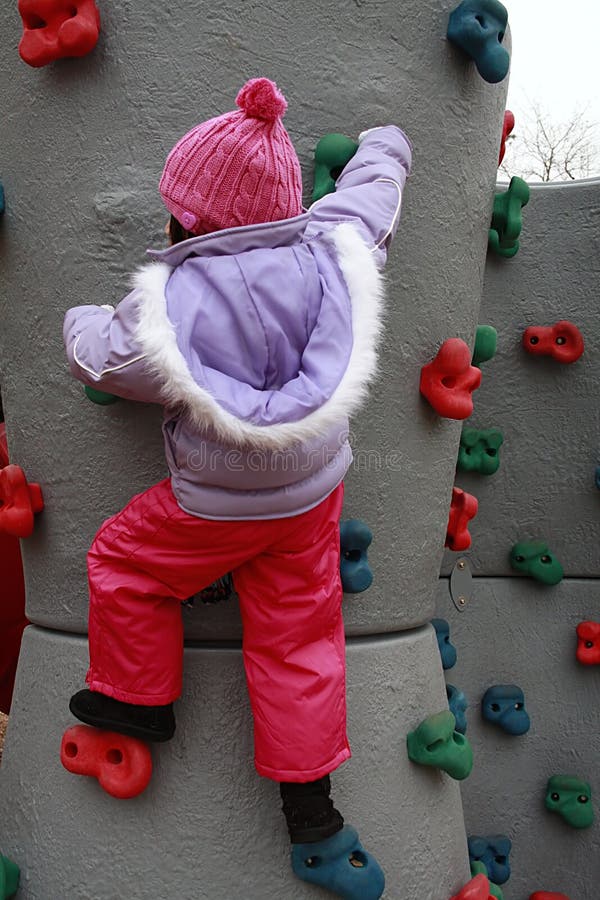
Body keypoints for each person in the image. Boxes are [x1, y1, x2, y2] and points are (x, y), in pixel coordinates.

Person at [63, 76, 411, 898]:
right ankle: (311, 808)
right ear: (288, 200)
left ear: (189, 217)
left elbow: (104, 357)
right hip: (310, 498)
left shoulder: (173, 302)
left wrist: (73, 317)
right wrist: (387, 141)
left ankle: (138, 698)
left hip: (210, 506)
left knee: (124, 563)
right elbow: (372, 198)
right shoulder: (334, 248)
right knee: (300, 641)